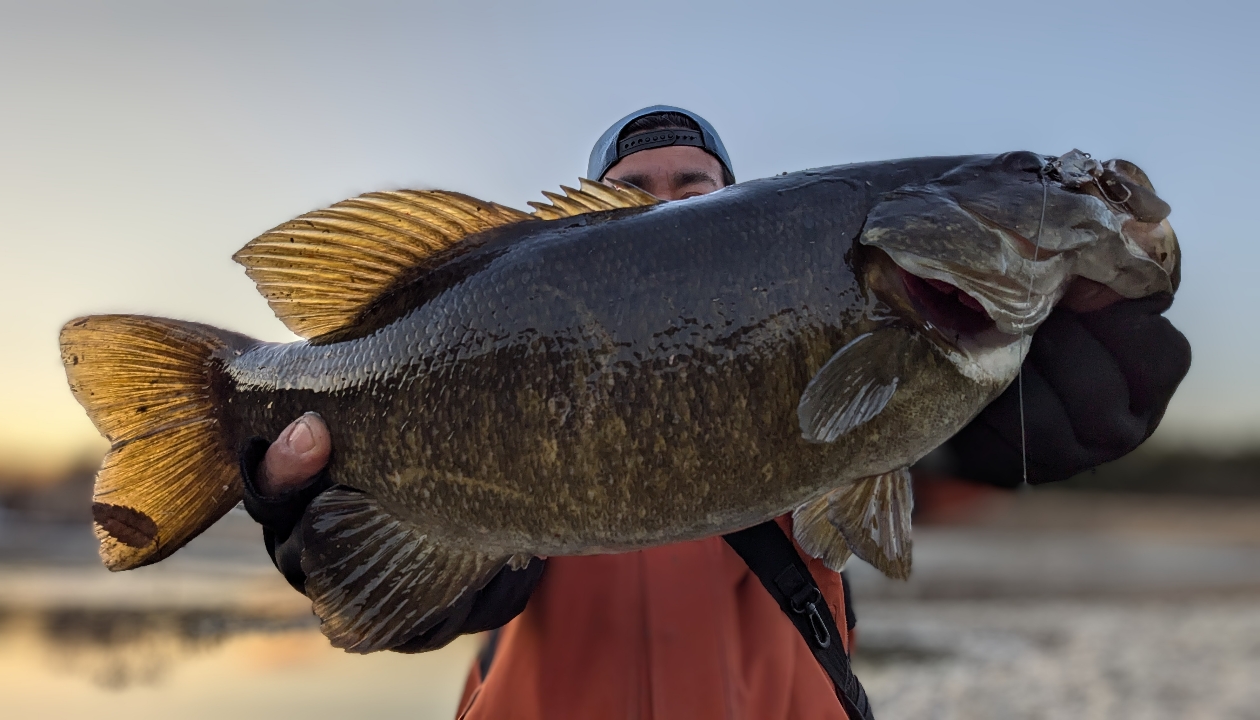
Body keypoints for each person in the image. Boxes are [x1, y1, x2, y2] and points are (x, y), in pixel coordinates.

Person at [240, 106, 1191, 719]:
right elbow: (440, 603)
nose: (665, 203)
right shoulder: (510, 346)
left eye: (694, 191)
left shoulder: (905, 348)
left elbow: (947, 488)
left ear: (743, 211)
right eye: (632, 194)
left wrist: (1041, 408)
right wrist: (335, 534)